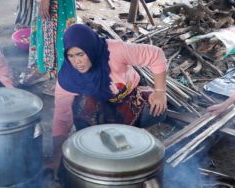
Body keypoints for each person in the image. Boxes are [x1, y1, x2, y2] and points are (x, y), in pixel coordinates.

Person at [50, 24, 168, 170]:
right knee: (81, 112)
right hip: (98, 102)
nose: (76, 62)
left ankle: (135, 133)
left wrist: (160, 92)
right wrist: (56, 156)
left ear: (90, 49)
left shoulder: (115, 51)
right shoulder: (68, 78)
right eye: (71, 56)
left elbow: (156, 55)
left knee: (156, 109)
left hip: (127, 95)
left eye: (81, 54)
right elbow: (62, 116)